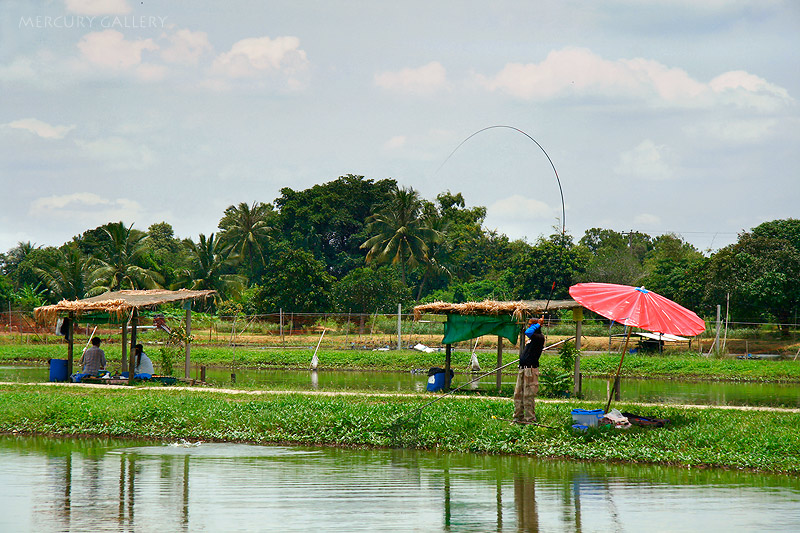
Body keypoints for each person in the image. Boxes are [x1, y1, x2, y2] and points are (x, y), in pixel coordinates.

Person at [513, 316, 545, 424]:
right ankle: (518, 418)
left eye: (531, 324)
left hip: (530, 370)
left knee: (528, 396)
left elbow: (528, 331)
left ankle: (530, 419)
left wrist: (538, 324)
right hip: (522, 369)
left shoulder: (539, 337)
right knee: (518, 394)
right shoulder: (532, 339)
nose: (529, 326)